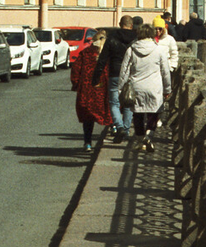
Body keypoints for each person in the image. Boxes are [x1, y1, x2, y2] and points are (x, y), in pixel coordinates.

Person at [121, 23, 171, 152]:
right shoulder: (159, 50)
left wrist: (121, 88)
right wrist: (167, 89)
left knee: (137, 114)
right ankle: (149, 136)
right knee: (153, 113)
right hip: (155, 87)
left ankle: (140, 140)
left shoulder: (131, 49)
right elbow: (165, 71)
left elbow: (124, 71)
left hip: (136, 87)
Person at [94, 15, 136, 142]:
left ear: (119, 24)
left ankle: (119, 126)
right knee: (129, 102)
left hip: (114, 73)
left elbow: (102, 59)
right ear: (131, 25)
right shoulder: (136, 39)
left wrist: (96, 77)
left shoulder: (112, 38)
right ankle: (127, 130)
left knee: (114, 103)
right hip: (130, 73)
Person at [71, 29, 113, 151]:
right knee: (108, 111)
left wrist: (76, 85)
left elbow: (75, 70)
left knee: (88, 118)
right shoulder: (110, 54)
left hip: (87, 90)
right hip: (105, 90)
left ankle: (88, 143)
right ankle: (114, 130)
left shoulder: (86, 53)